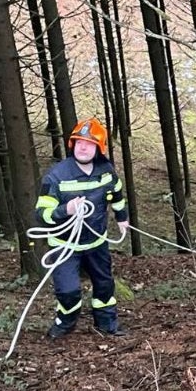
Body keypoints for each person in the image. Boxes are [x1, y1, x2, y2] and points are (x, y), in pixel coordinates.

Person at [36, 118, 130, 339]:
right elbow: (41, 214)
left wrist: (122, 217)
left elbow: (116, 193)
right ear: (72, 145)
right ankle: (65, 323)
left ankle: (107, 324)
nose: (84, 147)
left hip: (97, 243)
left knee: (105, 286)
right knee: (68, 292)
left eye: (89, 143)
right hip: (64, 246)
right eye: (79, 142)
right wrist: (65, 210)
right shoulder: (56, 176)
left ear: (99, 148)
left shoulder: (106, 171)